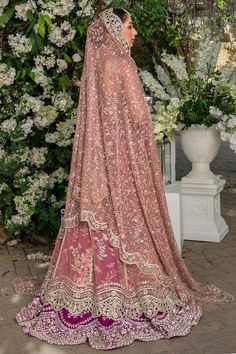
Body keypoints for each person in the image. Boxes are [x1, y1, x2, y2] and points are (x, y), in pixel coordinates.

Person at [15, 8, 233, 350]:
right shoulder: (122, 64)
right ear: (115, 30)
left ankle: (78, 291)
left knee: (94, 218)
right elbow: (136, 115)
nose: (134, 33)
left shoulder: (96, 68)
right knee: (131, 218)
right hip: (123, 163)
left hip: (97, 165)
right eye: (130, 26)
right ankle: (128, 293)